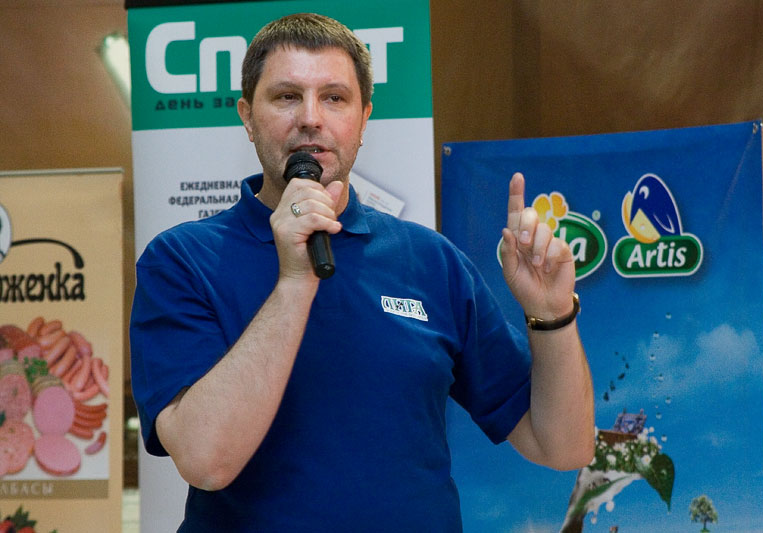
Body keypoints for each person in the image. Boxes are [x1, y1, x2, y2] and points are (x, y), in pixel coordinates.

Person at [129, 12, 594, 532]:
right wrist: (294, 282)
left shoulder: (431, 261)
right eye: (286, 96)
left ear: (364, 117)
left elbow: (564, 447)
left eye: (334, 97)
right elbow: (206, 461)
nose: (311, 118)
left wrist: (553, 315)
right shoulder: (182, 260)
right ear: (247, 116)